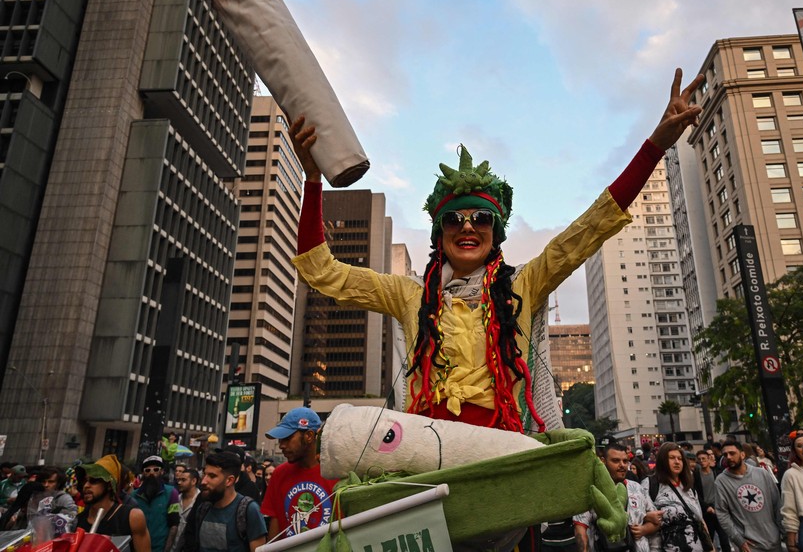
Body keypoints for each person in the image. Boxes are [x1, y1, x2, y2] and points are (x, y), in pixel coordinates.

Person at [289, 68, 702, 432]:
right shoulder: (409, 294)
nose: (467, 226)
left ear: (495, 232)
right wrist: (312, 180)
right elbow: (322, 272)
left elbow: (592, 227)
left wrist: (655, 146)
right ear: (439, 234)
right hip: (431, 463)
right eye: (454, 219)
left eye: (481, 218)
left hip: (505, 458)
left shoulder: (525, 283)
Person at [260, 407, 339, 538]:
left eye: (287, 438)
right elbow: (275, 525)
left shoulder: (335, 472)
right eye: (280, 440)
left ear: (309, 436)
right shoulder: (279, 474)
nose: (281, 445)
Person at [573, 442, 662, 552]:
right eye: (615, 461)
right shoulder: (591, 490)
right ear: (603, 461)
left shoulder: (637, 488)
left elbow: (656, 522)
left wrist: (644, 529)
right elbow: (580, 529)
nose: (622, 465)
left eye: (625, 461)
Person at [182, 452, 266, 552]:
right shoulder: (203, 508)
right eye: (204, 474)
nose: (204, 481)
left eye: (212, 476)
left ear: (229, 481)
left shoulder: (249, 510)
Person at [713, 441, 782, 552]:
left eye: (732, 453)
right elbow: (722, 513)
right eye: (725, 455)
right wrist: (738, 539)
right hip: (749, 546)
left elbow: (777, 504)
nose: (728, 457)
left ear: (742, 455)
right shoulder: (721, 481)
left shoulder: (762, 474)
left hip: (774, 540)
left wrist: (782, 532)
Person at [75, 454, 151, 552]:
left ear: (109, 485)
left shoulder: (132, 517)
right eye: (84, 481)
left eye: (94, 481)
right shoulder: (78, 519)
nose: (86, 485)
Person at [651, 443, 711, 552]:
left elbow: (700, 521)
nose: (677, 462)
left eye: (680, 458)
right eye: (672, 458)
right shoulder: (651, 485)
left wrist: (711, 547)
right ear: (662, 460)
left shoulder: (689, 488)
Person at [134, 456, 181, 552]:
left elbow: (174, 524)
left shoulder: (172, 493)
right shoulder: (134, 496)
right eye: (147, 470)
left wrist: (166, 549)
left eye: (156, 469)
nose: (151, 473)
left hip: (160, 547)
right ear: (143, 473)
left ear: (162, 471)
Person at [693, 449, 728, 552]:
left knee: (724, 539)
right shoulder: (696, 475)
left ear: (709, 460)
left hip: (719, 509)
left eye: (704, 458)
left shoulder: (716, 472)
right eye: (699, 459)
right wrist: (706, 507)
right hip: (706, 511)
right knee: (709, 539)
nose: (701, 461)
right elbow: (695, 494)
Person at [172, 469, 200, 552]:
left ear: (193, 481)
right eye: (178, 480)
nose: (179, 483)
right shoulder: (175, 499)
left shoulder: (201, 501)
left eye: (183, 480)